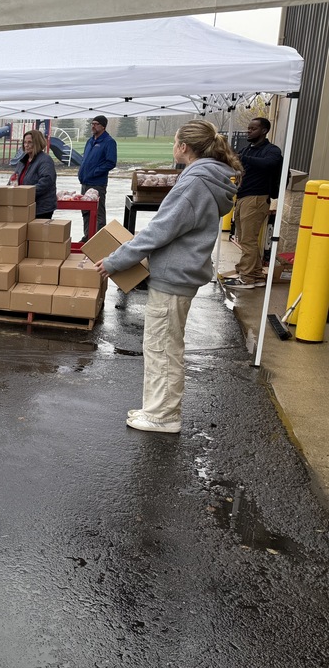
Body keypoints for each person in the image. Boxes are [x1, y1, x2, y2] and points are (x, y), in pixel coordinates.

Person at [95, 120, 238, 434]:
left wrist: (115, 261)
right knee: (162, 344)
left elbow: (159, 231)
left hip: (174, 277)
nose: (173, 147)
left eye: (175, 142)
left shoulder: (194, 183)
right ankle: (156, 408)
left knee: (162, 347)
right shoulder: (206, 178)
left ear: (184, 147)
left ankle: (163, 416)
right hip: (180, 274)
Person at [224, 116, 283, 289]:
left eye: (253, 129)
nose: (249, 131)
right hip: (243, 197)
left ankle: (247, 278)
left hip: (256, 198)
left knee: (248, 240)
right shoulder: (247, 149)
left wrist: (244, 158)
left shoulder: (271, 150)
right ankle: (256, 274)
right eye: (249, 128)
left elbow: (270, 164)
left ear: (264, 131)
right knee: (244, 238)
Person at [77, 115, 117, 237]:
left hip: (97, 184)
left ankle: (98, 239)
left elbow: (111, 162)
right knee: (85, 211)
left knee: (98, 212)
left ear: (103, 126)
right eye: (92, 123)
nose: (93, 126)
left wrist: (95, 172)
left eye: (96, 124)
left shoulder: (109, 142)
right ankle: (87, 237)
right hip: (85, 182)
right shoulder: (90, 141)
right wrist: (81, 172)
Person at [11, 128, 57, 218]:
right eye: (25, 142)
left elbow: (46, 182)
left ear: (37, 143)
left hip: (41, 209)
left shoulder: (45, 160)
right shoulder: (23, 161)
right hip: (23, 205)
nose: (26, 145)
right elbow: (14, 177)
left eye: (30, 142)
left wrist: (26, 193)